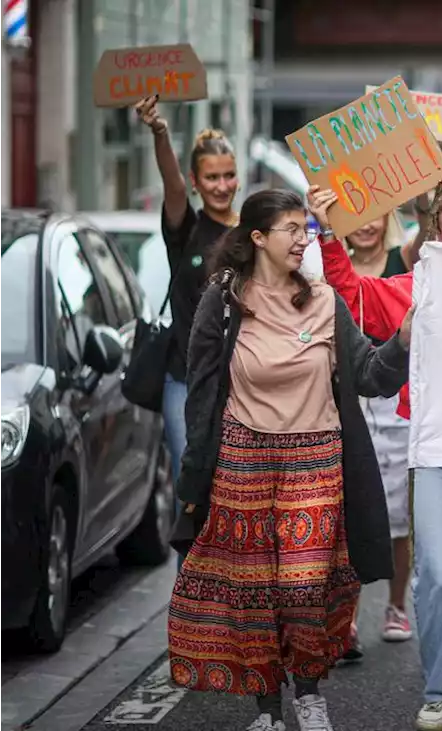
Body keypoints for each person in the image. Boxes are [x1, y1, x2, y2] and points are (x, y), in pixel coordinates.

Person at [167, 189, 412, 731]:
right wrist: (192, 474)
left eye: (307, 229)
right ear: (258, 239)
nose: (306, 240)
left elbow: (370, 375)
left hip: (316, 461)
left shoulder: (326, 301)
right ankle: (266, 709)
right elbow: (202, 389)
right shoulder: (224, 299)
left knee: (303, 586)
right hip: (243, 463)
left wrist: (404, 340)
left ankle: (309, 692)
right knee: (256, 594)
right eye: (294, 230)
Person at [311, 184, 442, 731]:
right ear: (434, 236)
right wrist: (329, 231)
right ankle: (440, 688)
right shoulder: (413, 289)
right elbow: (348, 293)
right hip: (436, 451)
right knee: (436, 573)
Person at [134, 95, 238, 523]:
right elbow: (170, 184)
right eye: (211, 177)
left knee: (234, 493)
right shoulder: (188, 229)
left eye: (229, 175)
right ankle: (187, 590)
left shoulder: (252, 231)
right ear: (196, 182)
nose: (222, 185)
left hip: (242, 381)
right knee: (190, 492)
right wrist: (160, 132)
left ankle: (228, 589)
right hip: (185, 380)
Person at [339, 210, 416, 649]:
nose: (365, 223)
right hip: (350, 397)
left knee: (398, 516)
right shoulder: (328, 263)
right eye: (355, 216)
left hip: (394, 399)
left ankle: (396, 605)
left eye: (373, 214)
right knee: (351, 509)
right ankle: (346, 615)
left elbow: (428, 232)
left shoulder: (403, 257)